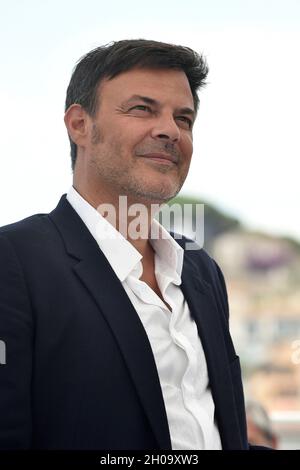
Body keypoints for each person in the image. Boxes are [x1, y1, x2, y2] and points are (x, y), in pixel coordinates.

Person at [0, 39, 259, 450]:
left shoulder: (201, 270)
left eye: (184, 118)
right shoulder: (13, 262)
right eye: (142, 109)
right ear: (79, 125)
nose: (170, 130)